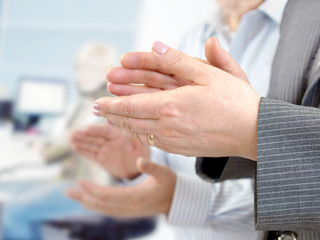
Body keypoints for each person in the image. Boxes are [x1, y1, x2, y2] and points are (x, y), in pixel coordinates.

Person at [76, 0, 320, 239]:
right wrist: (139, 162)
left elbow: (296, 186)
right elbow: (174, 154)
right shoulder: (194, 37)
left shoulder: (305, 31)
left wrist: (181, 197)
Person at [2, 42, 117, 240]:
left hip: (89, 188)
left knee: (14, 211)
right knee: (14, 197)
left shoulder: (100, 107)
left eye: (91, 69)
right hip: (78, 181)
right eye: (80, 68)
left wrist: (41, 149)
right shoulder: (90, 102)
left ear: (105, 73)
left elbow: (59, 148)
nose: (82, 75)